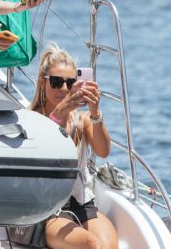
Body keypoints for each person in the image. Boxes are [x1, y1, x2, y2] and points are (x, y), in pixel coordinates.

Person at [30, 44, 118, 249]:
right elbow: (38, 150)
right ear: (42, 83)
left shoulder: (82, 120)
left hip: (81, 204)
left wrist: (95, 113)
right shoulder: (32, 118)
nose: (63, 89)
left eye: (70, 83)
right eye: (56, 82)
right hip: (47, 210)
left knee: (109, 246)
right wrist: (59, 113)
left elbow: (103, 151)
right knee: (91, 245)